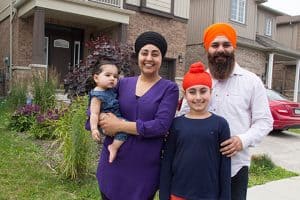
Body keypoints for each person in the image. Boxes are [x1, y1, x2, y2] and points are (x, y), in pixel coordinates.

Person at [178, 23, 273, 200]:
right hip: (200, 167)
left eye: (226, 44)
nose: (221, 49)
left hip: (236, 168)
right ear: (207, 49)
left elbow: (265, 121)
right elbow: (183, 116)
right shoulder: (198, 82)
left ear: (234, 47)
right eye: (215, 45)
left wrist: (242, 140)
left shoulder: (252, 81)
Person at [95, 31, 179, 200]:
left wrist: (119, 126)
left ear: (161, 58)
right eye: (144, 53)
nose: (149, 58)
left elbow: (161, 126)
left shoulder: (169, 89)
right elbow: (99, 103)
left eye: (155, 54)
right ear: (138, 56)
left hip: (142, 172)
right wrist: (99, 119)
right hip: (113, 166)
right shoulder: (122, 83)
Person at [160, 61, 231, 200]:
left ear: (211, 92)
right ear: (185, 95)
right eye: (192, 92)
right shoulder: (175, 124)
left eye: (203, 91)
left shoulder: (221, 125)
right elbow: (167, 163)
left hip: (209, 195)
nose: (198, 97)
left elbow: (225, 168)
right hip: (178, 194)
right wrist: (164, 195)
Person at [87, 60, 127, 163]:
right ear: (96, 78)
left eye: (115, 77)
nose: (112, 79)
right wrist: (94, 129)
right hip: (107, 124)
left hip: (116, 119)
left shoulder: (110, 90)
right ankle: (113, 147)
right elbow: (94, 114)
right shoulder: (97, 96)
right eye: (108, 75)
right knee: (125, 129)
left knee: (126, 126)